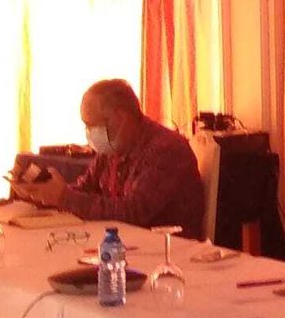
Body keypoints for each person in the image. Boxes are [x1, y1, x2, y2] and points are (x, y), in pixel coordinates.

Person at [13, 79, 204, 234]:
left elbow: (133, 213)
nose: (88, 133)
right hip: (120, 247)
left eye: (92, 125)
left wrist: (64, 198)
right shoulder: (112, 149)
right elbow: (85, 191)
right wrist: (39, 192)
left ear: (120, 118)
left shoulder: (166, 149)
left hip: (168, 252)